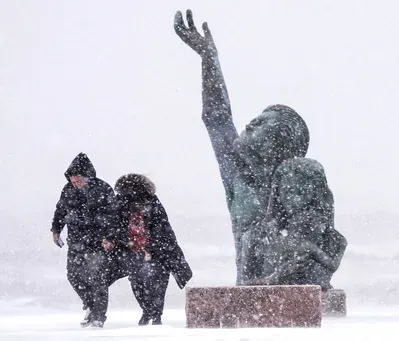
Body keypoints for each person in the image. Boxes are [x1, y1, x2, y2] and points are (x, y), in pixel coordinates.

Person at [174, 9, 346, 287]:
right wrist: (209, 58)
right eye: (257, 117)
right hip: (253, 290)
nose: (252, 122)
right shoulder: (238, 175)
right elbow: (217, 117)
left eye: (265, 123)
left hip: (293, 283)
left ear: (280, 145)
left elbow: (321, 228)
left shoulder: (298, 177)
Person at [102, 174, 192, 326]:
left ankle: (156, 315)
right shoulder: (121, 203)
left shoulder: (152, 202)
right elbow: (114, 226)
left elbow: (162, 228)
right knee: (137, 281)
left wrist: (150, 248)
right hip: (132, 250)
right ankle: (148, 311)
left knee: (158, 281)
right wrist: (113, 239)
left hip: (158, 250)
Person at [51, 153, 116, 328]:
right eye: (72, 179)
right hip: (76, 242)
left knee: (98, 279)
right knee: (73, 276)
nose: (75, 183)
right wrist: (56, 230)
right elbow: (60, 211)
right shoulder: (67, 190)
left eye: (78, 179)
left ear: (87, 176)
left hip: (97, 243)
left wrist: (110, 238)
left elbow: (113, 216)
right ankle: (91, 306)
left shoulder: (103, 189)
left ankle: (98, 317)